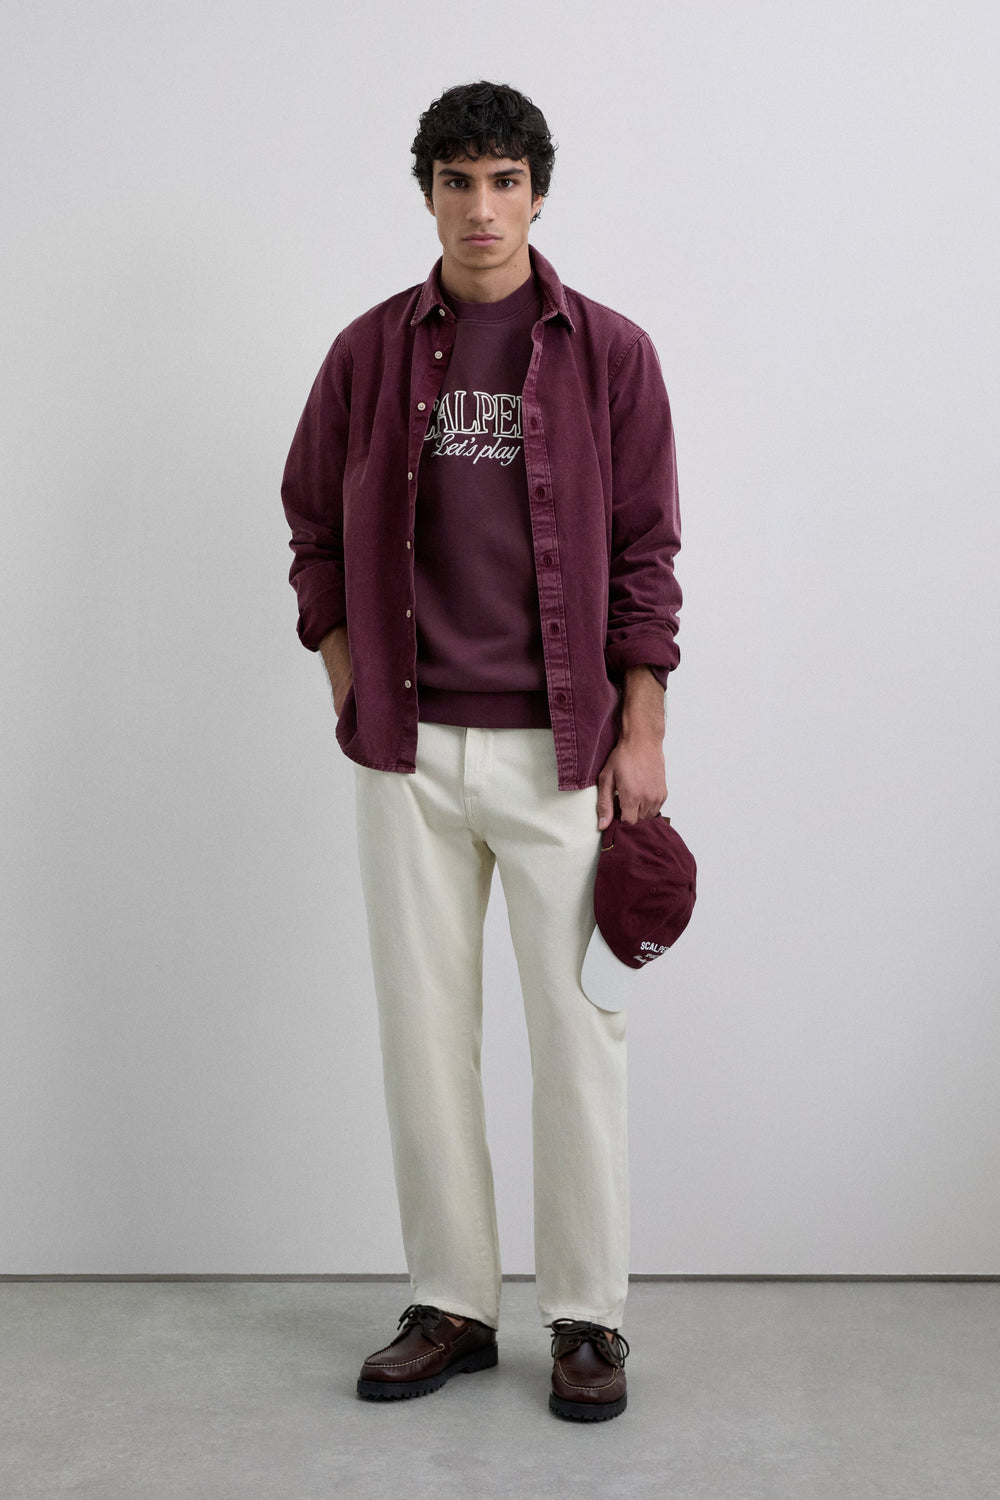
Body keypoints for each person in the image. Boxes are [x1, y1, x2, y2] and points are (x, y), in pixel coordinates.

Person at [280, 79, 682, 1423]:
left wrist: (642, 727)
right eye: (457, 181)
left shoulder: (610, 353)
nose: (481, 207)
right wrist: (348, 680)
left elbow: (646, 554)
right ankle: (451, 1302)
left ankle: (587, 1316)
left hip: (561, 752)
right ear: (428, 196)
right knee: (423, 1035)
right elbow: (311, 529)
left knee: (578, 1035)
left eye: (504, 180)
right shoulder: (366, 353)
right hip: (406, 750)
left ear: (539, 193)